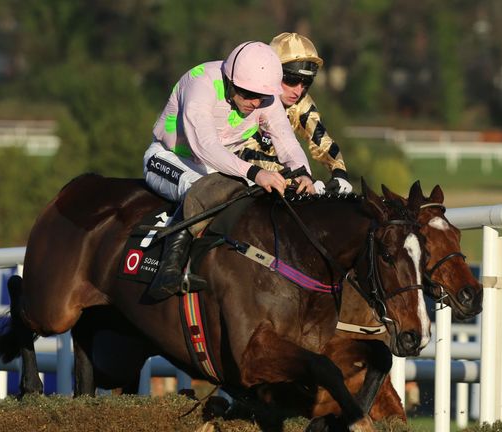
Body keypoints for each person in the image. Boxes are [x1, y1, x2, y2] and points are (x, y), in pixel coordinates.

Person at [144, 41, 315, 299]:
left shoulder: (265, 98)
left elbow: (287, 141)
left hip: (220, 167)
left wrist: (303, 173)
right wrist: (255, 173)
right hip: (169, 157)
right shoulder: (200, 83)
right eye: (248, 94)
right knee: (202, 189)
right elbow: (205, 146)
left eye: (261, 97)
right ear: (231, 81)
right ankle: (169, 270)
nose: (255, 103)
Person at [237, 32, 353, 194]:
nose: (298, 91)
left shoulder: (301, 102)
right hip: (231, 170)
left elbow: (321, 140)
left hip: (279, 177)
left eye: (306, 82)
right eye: (291, 80)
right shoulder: (253, 98)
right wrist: (300, 177)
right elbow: (248, 153)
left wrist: (339, 172)